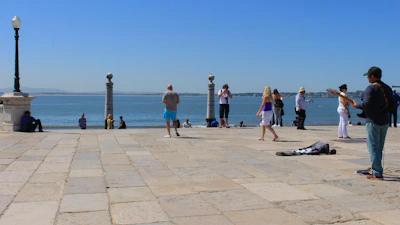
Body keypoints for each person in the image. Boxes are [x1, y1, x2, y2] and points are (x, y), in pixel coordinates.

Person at [351, 66, 395, 179]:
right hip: (384, 121)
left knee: (373, 146)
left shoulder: (371, 88)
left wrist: (357, 106)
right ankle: (376, 167)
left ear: (371, 76)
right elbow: (392, 105)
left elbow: (366, 105)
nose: (367, 78)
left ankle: (376, 172)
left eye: (368, 76)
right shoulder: (387, 88)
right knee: (379, 146)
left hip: (373, 121)